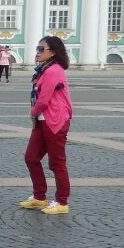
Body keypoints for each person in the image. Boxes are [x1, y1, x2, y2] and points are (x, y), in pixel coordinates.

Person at [20, 35, 74, 214]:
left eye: (41, 49)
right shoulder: (44, 69)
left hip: (55, 121)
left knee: (57, 163)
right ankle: (39, 196)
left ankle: (62, 202)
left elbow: (43, 100)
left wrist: (32, 111)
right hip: (43, 122)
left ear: (53, 53)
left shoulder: (53, 70)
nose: (37, 52)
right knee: (31, 157)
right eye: (37, 48)